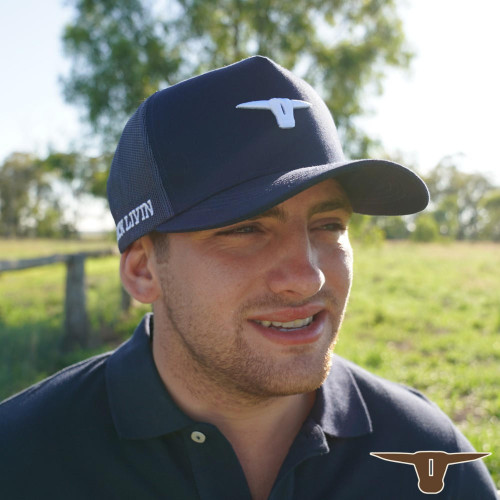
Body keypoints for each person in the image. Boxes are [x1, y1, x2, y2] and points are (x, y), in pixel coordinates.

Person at [0, 56, 496, 499]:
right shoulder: (22, 458)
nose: (306, 278)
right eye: (245, 229)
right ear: (143, 269)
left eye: (328, 225)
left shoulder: (425, 452)